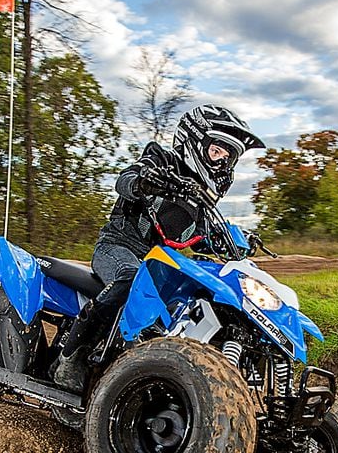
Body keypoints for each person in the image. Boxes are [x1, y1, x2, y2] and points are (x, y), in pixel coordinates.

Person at [51, 105, 266, 390]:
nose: (222, 164)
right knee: (129, 279)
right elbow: (124, 181)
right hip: (118, 247)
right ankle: (69, 360)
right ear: (194, 141)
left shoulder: (200, 201)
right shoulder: (160, 159)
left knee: (193, 302)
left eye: (229, 159)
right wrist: (145, 181)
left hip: (160, 265)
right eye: (217, 152)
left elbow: (206, 236)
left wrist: (240, 240)